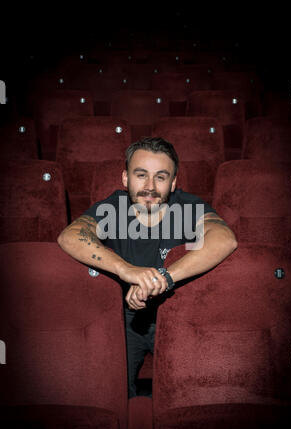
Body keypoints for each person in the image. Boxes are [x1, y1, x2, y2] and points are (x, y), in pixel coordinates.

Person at [57, 137, 238, 398]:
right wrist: (126, 269)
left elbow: (225, 239)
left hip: (176, 314)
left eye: (161, 177)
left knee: (192, 394)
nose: (150, 187)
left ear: (173, 182)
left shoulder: (186, 206)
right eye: (141, 175)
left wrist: (163, 277)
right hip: (125, 318)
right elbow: (70, 236)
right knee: (110, 394)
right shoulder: (114, 207)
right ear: (125, 178)